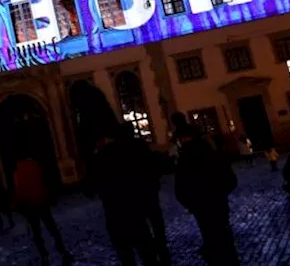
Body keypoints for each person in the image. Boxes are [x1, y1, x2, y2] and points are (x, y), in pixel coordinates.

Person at [89, 123, 161, 266]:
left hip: (114, 214)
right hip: (134, 208)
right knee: (146, 250)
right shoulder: (128, 151)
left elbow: (90, 188)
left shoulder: (100, 157)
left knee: (126, 255)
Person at [172, 112, 238, 266]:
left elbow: (180, 188)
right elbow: (230, 179)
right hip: (218, 202)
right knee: (224, 236)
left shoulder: (185, 158)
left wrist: (191, 203)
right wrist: (220, 193)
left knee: (210, 236)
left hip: (200, 206)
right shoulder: (211, 153)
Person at [12, 154, 74, 265]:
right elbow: (45, 182)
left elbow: (19, 191)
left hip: (30, 206)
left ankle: (44, 256)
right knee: (52, 228)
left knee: (37, 234)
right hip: (42, 202)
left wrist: (16, 206)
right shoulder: (36, 167)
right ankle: (63, 251)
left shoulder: (18, 173)